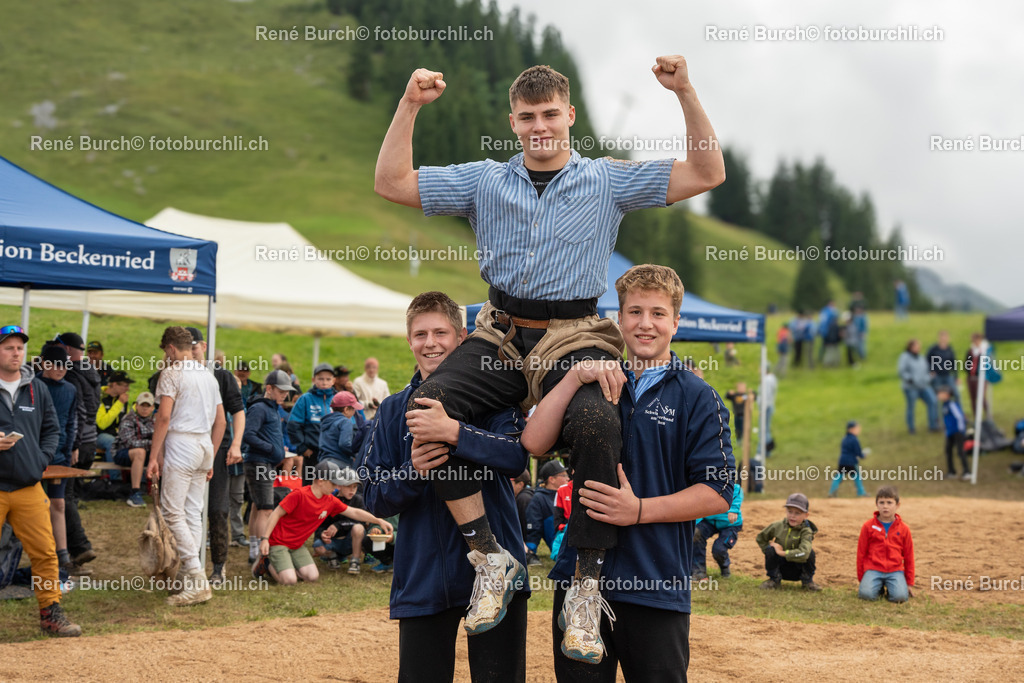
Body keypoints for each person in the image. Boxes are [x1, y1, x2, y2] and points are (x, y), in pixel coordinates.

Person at [375, 57, 724, 649]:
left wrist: (685, 91)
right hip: (500, 333)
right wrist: (409, 104)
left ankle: (586, 585)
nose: (540, 126)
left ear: (570, 117)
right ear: (512, 122)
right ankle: (490, 557)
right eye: (528, 116)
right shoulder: (485, 180)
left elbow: (706, 172)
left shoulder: (607, 180)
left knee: (595, 420)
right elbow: (392, 183)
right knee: (426, 405)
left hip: (575, 334)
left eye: (550, 114)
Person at [521, 263, 735, 675]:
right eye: (635, 312)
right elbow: (534, 443)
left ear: (676, 322)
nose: (645, 324)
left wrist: (638, 510)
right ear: (619, 319)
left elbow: (717, 491)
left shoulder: (698, 397)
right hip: (579, 583)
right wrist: (573, 378)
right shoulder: (592, 384)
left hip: (654, 584)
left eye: (658, 313)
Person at [361, 291, 530, 682]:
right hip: (423, 576)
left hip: (497, 574)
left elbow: (516, 458)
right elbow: (372, 495)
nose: (430, 343)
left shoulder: (492, 396)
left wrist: (455, 433)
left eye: (441, 333)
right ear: (409, 341)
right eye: (420, 334)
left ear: (462, 337)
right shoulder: (392, 409)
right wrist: (413, 471)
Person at [0, 324, 81, 636]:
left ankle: (51, 614)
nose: (15, 353)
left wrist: (41, 459)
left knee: (45, 552)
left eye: (19, 348)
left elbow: (52, 429)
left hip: (28, 484)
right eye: (9, 347)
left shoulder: (37, 388)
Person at [146, 326, 226, 607]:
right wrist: (211, 456)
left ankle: (196, 577)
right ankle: (191, 576)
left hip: (182, 443)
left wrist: (153, 456)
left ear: (170, 348)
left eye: (165, 351)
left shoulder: (171, 373)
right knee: (192, 512)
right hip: (204, 444)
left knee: (173, 512)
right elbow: (221, 421)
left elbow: (163, 417)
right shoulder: (208, 375)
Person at [254, 461, 392, 585]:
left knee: (312, 576)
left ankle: (286, 565)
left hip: (297, 545)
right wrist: (265, 539)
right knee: (289, 581)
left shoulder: (330, 500)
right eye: (333, 483)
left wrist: (378, 520)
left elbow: (354, 512)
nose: (336, 486)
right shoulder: (299, 495)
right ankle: (266, 562)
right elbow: (275, 514)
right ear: (320, 481)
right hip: (278, 542)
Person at [184, 327, 245, 588]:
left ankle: (219, 566)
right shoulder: (177, 373)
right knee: (188, 510)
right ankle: (189, 565)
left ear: (204, 346)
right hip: (185, 448)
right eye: (186, 348)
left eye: (194, 346)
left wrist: (236, 444)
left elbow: (238, 411)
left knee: (218, 509)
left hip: (217, 449)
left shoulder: (220, 375)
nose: (191, 352)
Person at [52, 332, 99, 574]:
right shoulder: (91, 371)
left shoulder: (70, 375)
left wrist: (73, 445)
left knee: (63, 499)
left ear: (68, 350)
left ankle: (79, 547)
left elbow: (78, 413)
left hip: (77, 443)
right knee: (68, 498)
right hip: (89, 441)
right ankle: (72, 553)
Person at [36, 344, 79, 577]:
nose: (61, 369)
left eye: (64, 365)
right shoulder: (32, 385)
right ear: (44, 363)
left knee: (58, 503)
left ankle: (63, 556)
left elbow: (71, 422)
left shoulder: (70, 389)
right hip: (33, 456)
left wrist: (70, 449)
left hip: (60, 456)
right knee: (32, 506)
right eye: (55, 365)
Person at [243, 370, 292, 564]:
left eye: (287, 391)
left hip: (265, 462)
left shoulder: (272, 408)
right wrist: (271, 448)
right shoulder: (260, 408)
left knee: (258, 506)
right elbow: (248, 434)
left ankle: (254, 550)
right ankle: (262, 554)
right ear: (269, 389)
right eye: (281, 391)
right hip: (259, 462)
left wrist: (279, 448)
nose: (285, 395)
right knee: (266, 509)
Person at [857, 486, 915, 603]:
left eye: (889, 502)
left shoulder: (904, 529)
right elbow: (861, 553)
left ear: (897, 505)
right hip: (873, 569)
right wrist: (862, 578)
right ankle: (877, 589)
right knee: (866, 594)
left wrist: (909, 583)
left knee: (900, 597)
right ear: (876, 504)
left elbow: (909, 556)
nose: (885, 506)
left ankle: (892, 588)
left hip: (895, 570)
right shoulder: (868, 526)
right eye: (881, 502)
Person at [311, 466, 372, 573]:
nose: (352, 490)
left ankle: (355, 560)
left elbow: (361, 522)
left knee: (358, 528)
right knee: (317, 545)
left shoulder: (358, 500)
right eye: (348, 486)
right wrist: (322, 535)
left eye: (355, 487)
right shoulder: (330, 500)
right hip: (333, 541)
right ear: (339, 486)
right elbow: (320, 525)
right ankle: (332, 555)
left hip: (350, 542)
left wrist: (338, 525)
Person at [756, 493, 820, 591]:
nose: (792, 516)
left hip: (798, 569)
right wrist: (769, 551)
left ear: (806, 515)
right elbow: (761, 538)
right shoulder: (777, 526)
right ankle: (774, 580)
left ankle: (807, 582)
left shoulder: (806, 531)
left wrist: (782, 552)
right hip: (781, 569)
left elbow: (804, 553)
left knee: (810, 552)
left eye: (797, 513)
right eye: (790, 511)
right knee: (770, 549)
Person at [288, 362, 336, 481]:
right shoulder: (305, 399)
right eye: (320, 379)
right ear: (313, 380)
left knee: (331, 485)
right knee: (310, 486)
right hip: (312, 453)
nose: (324, 382)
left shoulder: (338, 399)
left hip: (334, 453)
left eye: (328, 379)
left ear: (333, 381)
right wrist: (302, 447)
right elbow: (293, 425)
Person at [692, 481, 743, 580]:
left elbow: (737, 490)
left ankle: (724, 567)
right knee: (696, 533)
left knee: (718, 549)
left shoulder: (728, 483)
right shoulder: (703, 486)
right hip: (709, 521)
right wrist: (695, 523)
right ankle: (698, 572)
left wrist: (733, 509)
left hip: (730, 524)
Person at [113, 392, 157, 508]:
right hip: (123, 453)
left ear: (152, 408)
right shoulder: (128, 419)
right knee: (140, 452)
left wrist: (156, 446)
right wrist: (153, 444)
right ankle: (135, 492)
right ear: (136, 406)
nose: (145, 408)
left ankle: (162, 491)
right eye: (142, 405)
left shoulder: (156, 421)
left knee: (165, 451)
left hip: (147, 453)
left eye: (148, 406)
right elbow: (130, 442)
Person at [525, 460, 568, 562]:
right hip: (560, 543)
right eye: (563, 475)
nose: (568, 478)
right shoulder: (539, 499)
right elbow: (534, 527)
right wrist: (530, 550)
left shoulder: (569, 493)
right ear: (551, 479)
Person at [96, 369, 133, 478]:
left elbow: (124, 421)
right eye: (125, 386)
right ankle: (115, 479)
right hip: (98, 435)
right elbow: (102, 424)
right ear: (115, 384)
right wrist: (119, 403)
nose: (128, 389)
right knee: (112, 442)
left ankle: (137, 480)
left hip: (117, 434)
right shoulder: (100, 396)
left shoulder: (122, 399)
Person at [898, 339, 939, 433]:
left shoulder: (921, 357)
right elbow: (901, 371)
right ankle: (911, 428)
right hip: (911, 388)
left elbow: (927, 370)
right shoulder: (904, 357)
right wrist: (910, 379)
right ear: (910, 347)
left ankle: (933, 425)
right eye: (916, 346)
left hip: (923, 386)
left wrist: (930, 376)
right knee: (911, 407)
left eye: (919, 346)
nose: (918, 348)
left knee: (933, 401)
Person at [318, 390, 369, 468]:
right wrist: (357, 455)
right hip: (340, 463)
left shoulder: (326, 421)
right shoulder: (345, 422)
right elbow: (344, 444)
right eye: (353, 409)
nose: (354, 412)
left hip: (323, 462)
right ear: (346, 409)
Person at [828, 420, 868, 498]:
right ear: (851, 429)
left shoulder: (844, 439)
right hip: (851, 462)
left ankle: (832, 492)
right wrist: (863, 455)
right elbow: (858, 452)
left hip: (842, 461)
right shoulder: (854, 440)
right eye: (857, 428)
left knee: (838, 477)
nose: (859, 430)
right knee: (857, 477)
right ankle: (861, 492)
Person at [938, 387, 970, 480]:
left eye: (941, 393)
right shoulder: (944, 405)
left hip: (957, 431)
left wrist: (961, 430)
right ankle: (951, 471)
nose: (939, 395)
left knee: (960, 451)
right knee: (948, 451)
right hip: (950, 432)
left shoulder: (951, 404)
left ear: (947, 395)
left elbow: (959, 417)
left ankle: (967, 472)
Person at [927, 330, 960, 404]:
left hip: (947, 375)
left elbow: (953, 364)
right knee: (937, 396)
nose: (944, 339)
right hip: (937, 376)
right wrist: (930, 371)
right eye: (942, 337)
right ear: (939, 338)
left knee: (956, 394)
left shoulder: (950, 349)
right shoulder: (933, 349)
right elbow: (927, 361)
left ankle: (958, 410)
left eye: (945, 337)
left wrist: (956, 377)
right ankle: (937, 411)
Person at [964, 333, 989, 420]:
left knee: (981, 397)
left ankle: (987, 414)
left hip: (981, 378)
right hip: (971, 377)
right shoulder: (970, 351)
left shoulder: (984, 351)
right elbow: (966, 363)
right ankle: (976, 416)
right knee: (973, 397)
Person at [724, 382, 755, 446]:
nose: (741, 389)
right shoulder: (735, 395)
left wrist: (752, 393)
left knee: (743, 428)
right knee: (737, 428)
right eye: (740, 387)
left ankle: (745, 440)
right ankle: (739, 440)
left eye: (742, 387)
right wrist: (729, 393)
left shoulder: (746, 396)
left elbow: (754, 397)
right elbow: (726, 396)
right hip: (737, 414)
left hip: (744, 415)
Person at [512, 470, 534, 553]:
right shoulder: (526, 494)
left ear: (520, 484)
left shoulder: (523, 499)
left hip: (528, 543)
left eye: (510, 481)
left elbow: (523, 524)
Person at [763, 367, 778, 455]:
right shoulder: (772, 378)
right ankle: (767, 450)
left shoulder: (767, 380)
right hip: (770, 405)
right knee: (766, 429)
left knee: (764, 430)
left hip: (767, 407)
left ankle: (766, 450)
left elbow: (767, 395)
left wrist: (763, 409)